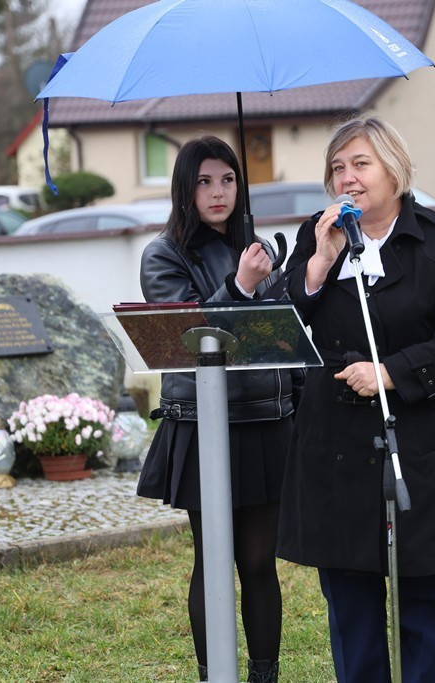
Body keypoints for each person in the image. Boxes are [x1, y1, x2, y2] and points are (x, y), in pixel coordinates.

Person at [276, 116, 435, 683]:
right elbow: (282, 330)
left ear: (395, 169)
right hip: (336, 450)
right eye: (337, 167)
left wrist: (391, 373)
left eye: (360, 164)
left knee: (426, 598)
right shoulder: (316, 237)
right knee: (350, 605)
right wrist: (320, 262)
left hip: (420, 444)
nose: (347, 178)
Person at [137, 136, 295, 683]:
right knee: (213, 560)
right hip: (204, 426)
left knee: (258, 562)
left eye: (227, 179)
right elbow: (187, 337)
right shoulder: (164, 255)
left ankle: (263, 675)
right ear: (185, 188)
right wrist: (240, 287)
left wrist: (284, 278)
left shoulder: (258, 245)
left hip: (263, 420)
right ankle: (214, 675)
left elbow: (280, 336)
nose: (218, 192)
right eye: (204, 181)